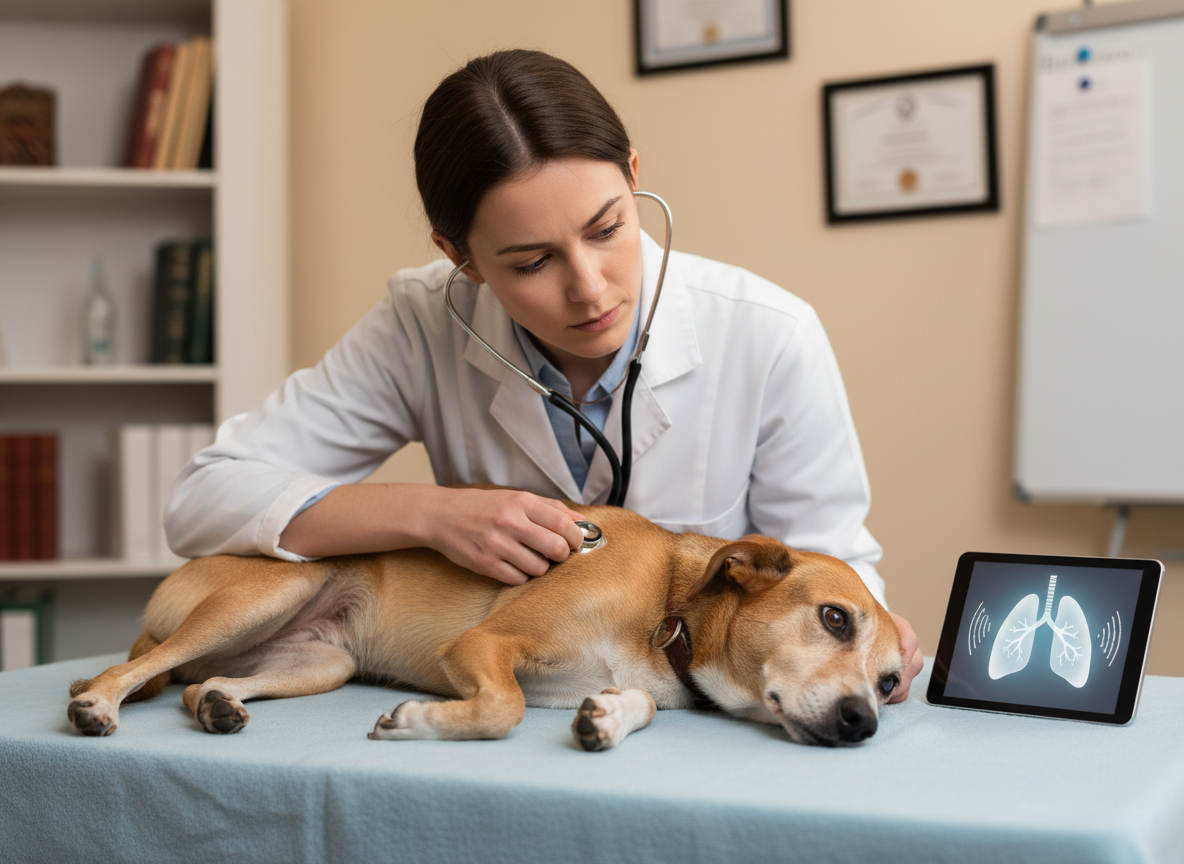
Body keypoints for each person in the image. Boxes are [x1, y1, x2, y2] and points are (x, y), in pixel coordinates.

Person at [166, 49, 924, 701]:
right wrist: (431, 514)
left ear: (634, 177)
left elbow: (836, 563)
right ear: (459, 256)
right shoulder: (422, 322)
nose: (589, 287)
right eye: (531, 262)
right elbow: (204, 498)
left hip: (689, 716)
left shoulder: (768, 332)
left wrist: (874, 642)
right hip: (505, 696)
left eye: (607, 229)